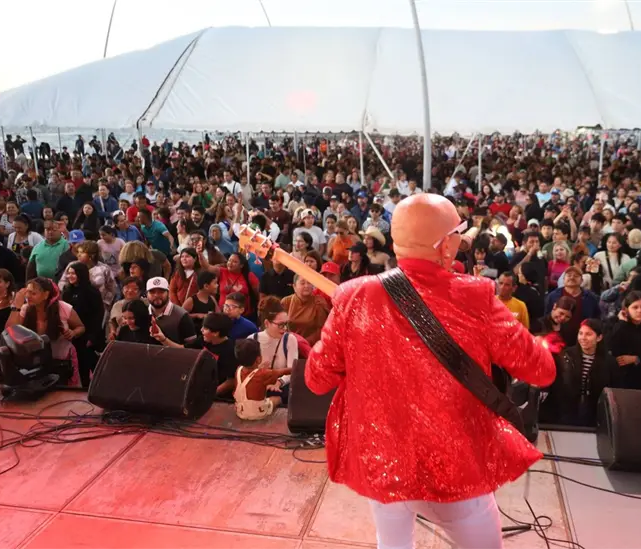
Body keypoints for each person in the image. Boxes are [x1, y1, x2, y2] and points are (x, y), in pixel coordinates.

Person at [305, 194, 555, 549]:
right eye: (458, 232)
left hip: (382, 457)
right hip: (455, 465)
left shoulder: (352, 296)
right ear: (445, 245)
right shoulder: (476, 296)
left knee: (392, 543)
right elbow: (542, 370)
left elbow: (316, 379)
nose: (461, 240)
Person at [8, 277, 86, 387]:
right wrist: (16, 307)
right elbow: (10, 331)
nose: (28, 296)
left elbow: (81, 327)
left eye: (33, 293)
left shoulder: (63, 308)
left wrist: (73, 333)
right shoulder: (25, 309)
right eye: (27, 292)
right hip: (35, 362)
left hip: (61, 361)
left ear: (46, 294)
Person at [545, 319, 619, 427]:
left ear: (599, 338)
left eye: (588, 334)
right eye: (581, 333)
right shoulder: (566, 356)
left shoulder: (609, 362)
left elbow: (614, 389)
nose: (583, 338)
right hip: (565, 413)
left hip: (595, 415)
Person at [61, 262, 105, 386]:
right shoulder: (67, 291)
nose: (70, 276)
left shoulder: (92, 292)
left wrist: (92, 336)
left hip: (89, 334)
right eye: (68, 273)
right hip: (72, 334)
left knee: (90, 363)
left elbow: (98, 315)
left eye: (73, 273)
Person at [232, 338, 293, 420]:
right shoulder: (263, 373)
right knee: (278, 398)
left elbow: (251, 378)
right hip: (258, 413)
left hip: (240, 411)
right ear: (258, 359)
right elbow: (283, 372)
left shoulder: (238, 370)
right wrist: (297, 367)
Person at [145, 276, 198, 345]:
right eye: (152, 292)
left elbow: (191, 348)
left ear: (168, 292)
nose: (156, 295)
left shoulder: (181, 315)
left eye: (161, 291)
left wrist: (164, 340)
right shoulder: (142, 312)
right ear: (146, 294)